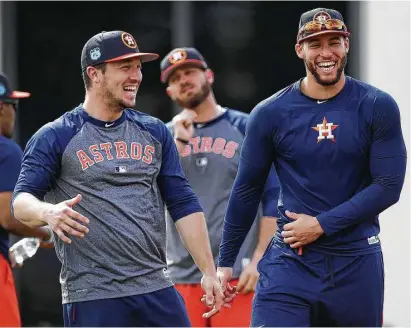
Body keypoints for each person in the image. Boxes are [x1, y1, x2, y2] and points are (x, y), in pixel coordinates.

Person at [11, 30, 223, 327]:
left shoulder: (155, 132)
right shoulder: (56, 135)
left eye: (138, 66)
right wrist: (48, 212)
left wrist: (209, 272)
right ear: (94, 73)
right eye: (125, 67)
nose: (136, 75)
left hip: (156, 287)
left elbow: (183, 202)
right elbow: (20, 202)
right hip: (93, 295)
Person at [216, 8, 407, 327]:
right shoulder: (271, 112)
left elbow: (388, 185)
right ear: (300, 49)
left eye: (334, 41)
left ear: (347, 45)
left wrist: (321, 224)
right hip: (290, 263)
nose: (326, 52)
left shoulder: (376, 105)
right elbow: (247, 189)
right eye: (315, 44)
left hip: (356, 263)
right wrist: (225, 263)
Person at [160, 47, 280, 327]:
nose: (183, 80)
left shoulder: (246, 127)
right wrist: (177, 144)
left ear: (209, 76)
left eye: (190, 72)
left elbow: (273, 195)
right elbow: (152, 195)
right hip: (181, 276)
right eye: (174, 78)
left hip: (237, 273)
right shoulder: (163, 138)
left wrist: (261, 258)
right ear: (169, 92)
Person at [0, 73, 53, 327]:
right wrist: (44, 232)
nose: (14, 113)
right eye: (13, 105)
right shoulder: (6, 149)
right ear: (1, 106)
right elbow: (8, 217)